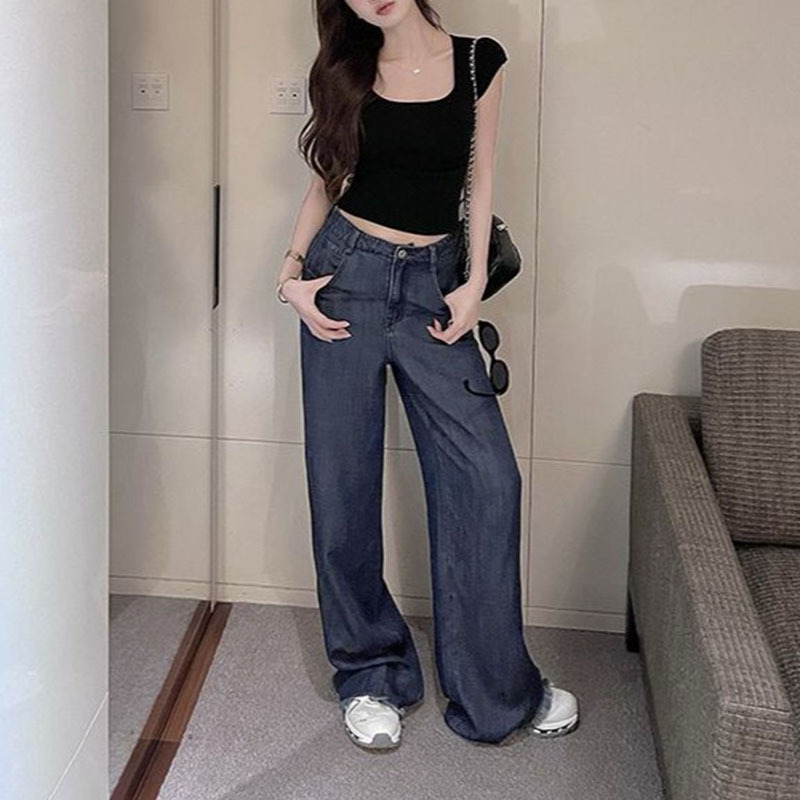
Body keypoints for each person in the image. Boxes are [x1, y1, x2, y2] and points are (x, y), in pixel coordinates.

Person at [276, 0, 579, 749]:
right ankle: (370, 674)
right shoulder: (347, 68)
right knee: (341, 487)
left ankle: (497, 688)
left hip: (434, 289)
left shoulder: (479, 60)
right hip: (344, 277)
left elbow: (481, 177)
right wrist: (290, 275)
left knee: (487, 479)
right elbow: (326, 180)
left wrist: (472, 283)